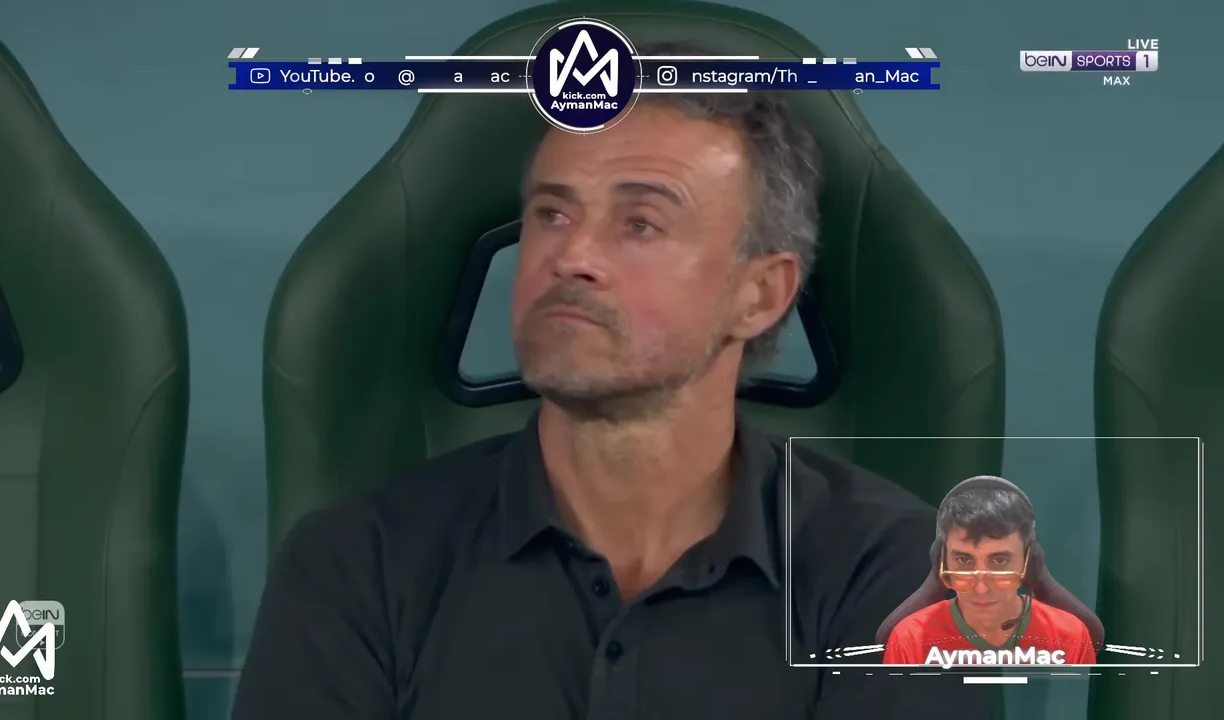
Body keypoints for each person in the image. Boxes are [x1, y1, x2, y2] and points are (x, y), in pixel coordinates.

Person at [233, 49, 994, 719]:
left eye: (640, 224)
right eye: (552, 214)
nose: (570, 257)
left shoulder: (893, 578)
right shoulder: (359, 562)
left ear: (760, 294)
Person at [883, 477, 1097, 666]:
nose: (981, 589)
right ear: (942, 561)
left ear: (1029, 562)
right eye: (964, 560)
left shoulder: (1069, 636)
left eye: (1000, 561)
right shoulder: (910, 639)